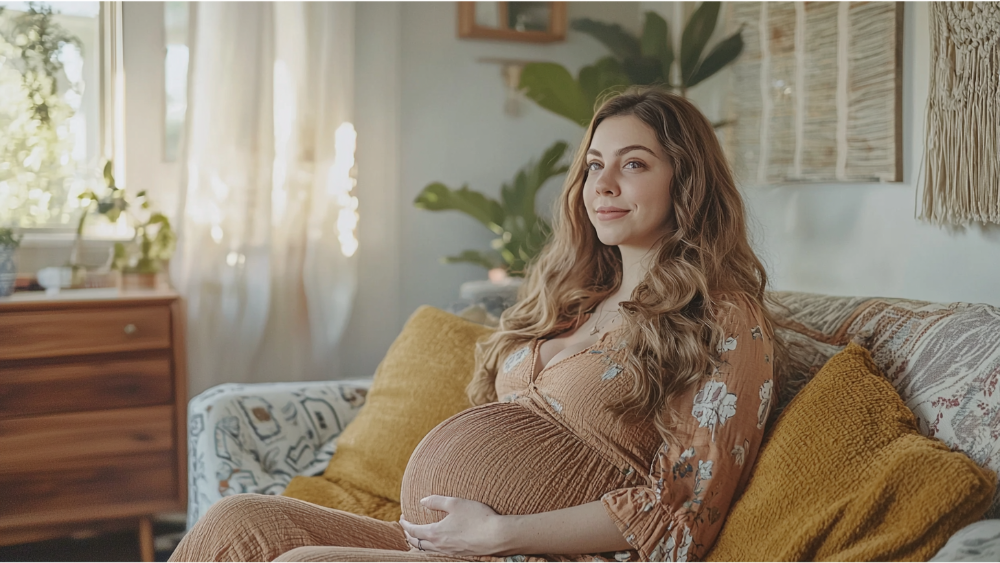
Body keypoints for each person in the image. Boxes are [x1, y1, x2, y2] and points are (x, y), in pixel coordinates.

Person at [169, 87, 780, 563]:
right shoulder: (576, 298)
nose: (605, 185)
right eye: (594, 165)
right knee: (237, 522)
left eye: (635, 164)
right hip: (454, 545)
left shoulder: (720, 316)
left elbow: (682, 518)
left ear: (687, 181)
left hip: (532, 552)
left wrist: (497, 533)